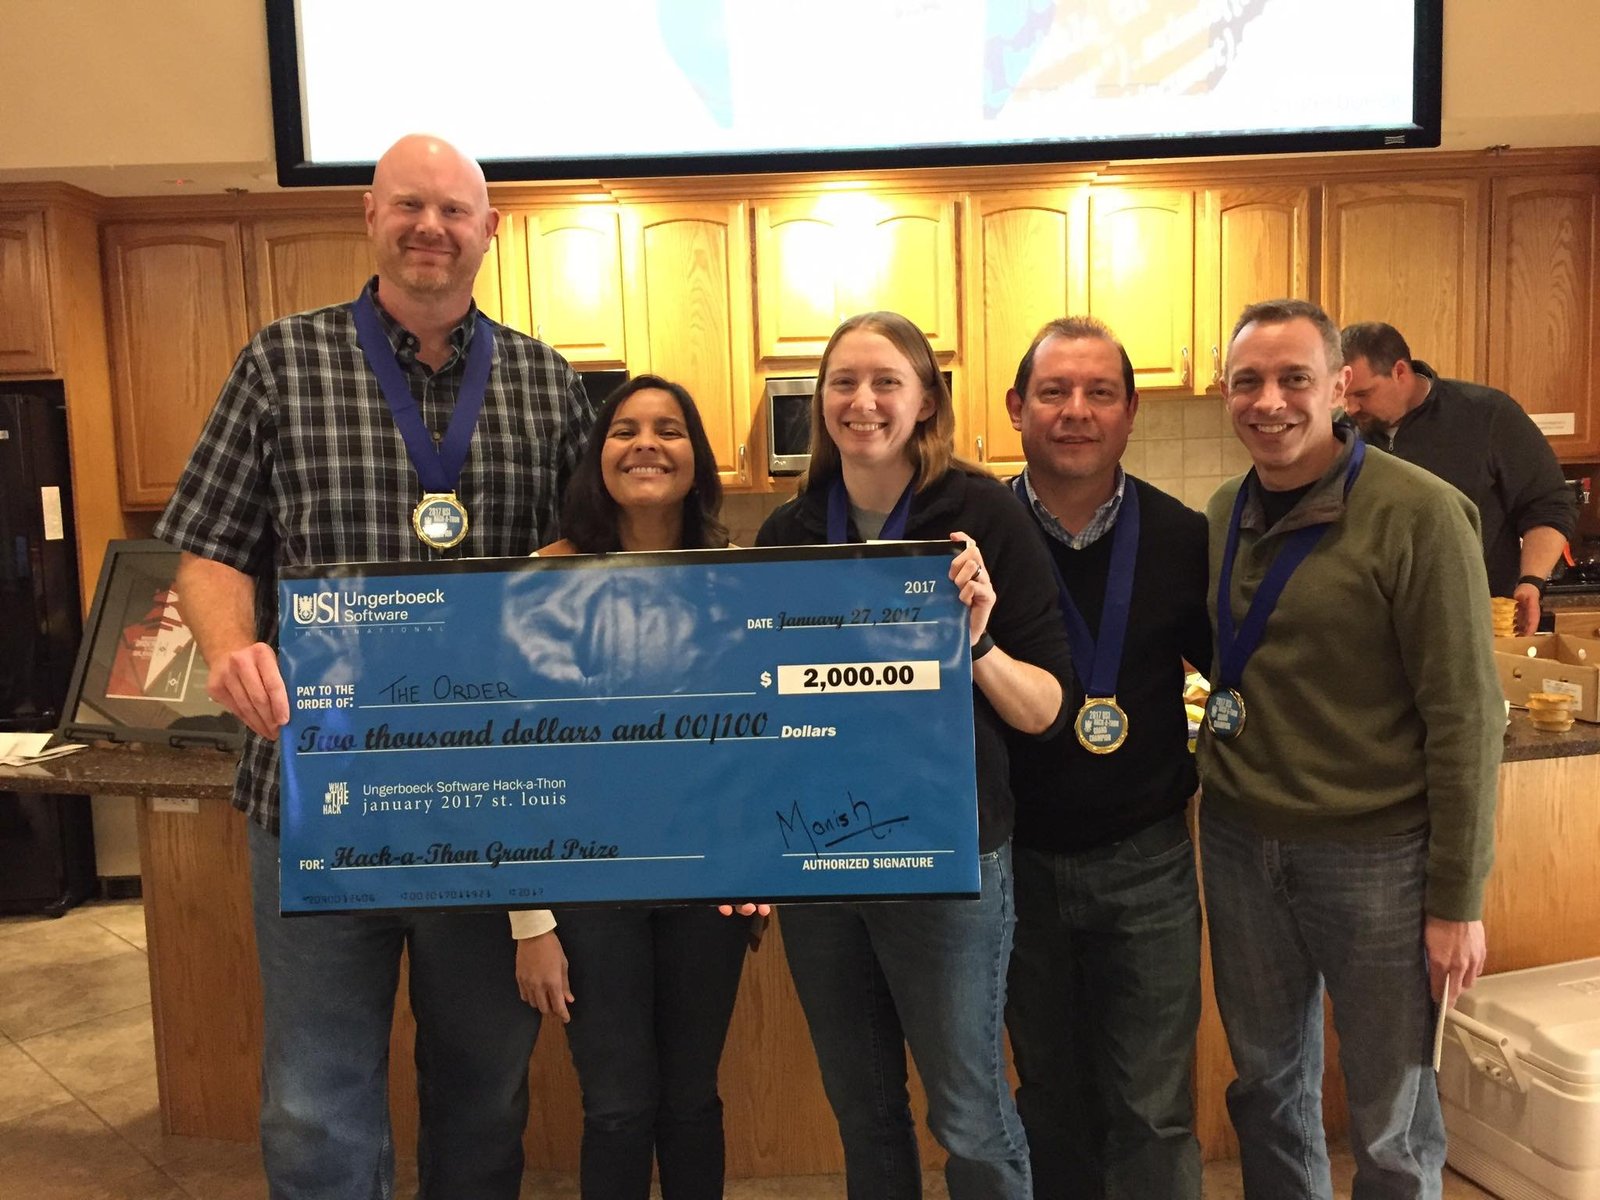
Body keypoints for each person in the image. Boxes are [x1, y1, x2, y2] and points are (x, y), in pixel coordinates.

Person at [155, 134, 595, 1200]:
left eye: (453, 210)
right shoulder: (279, 361)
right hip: (317, 794)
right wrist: (232, 647)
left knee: (485, 1083)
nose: (431, 228)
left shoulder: (544, 383)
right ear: (369, 215)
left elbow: (596, 557)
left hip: (490, 798)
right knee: (314, 1094)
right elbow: (210, 543)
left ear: (491, 231)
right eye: (409, 205)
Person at [756, 310, 1073, 1200]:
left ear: (926, 398)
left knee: (968, 1112)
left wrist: (975, 643)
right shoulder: (786, 533)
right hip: (822, 866)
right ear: (821, 403)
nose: (863, 402)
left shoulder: (983, 518)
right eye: (844, 383)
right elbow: (762, 711)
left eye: (886, 381)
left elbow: (1048, 708)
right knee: (862, 1109)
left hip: (948, 860)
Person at [1200, 299, 1502, 1199]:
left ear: (1341, 389)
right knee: (1267, 1090)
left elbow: (1466, 718)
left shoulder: (1420, 515)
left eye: (1296, 378)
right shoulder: (1225, 509)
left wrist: (1457, 900)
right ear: (1227, 392)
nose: (1271, 401)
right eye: (1249, 380)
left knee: (1392, 1112)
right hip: (1242, 842)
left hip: (1376, 856)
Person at [509, 375, 755, 1200]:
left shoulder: (737, 579)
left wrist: (768, 863)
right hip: (586, 887)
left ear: (697, 459)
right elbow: (510, 759)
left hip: (707, 886)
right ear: (597, 455)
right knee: (615, 1107)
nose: (646, 442)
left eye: (669, 429)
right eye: (624, 429)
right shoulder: (538, 582)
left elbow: (764, 744)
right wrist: (531, 921)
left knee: (691, 1102)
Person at [1001, 317, 1209, 1199]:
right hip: (1015, 866)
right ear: (1016, 409)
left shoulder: (1184, 536)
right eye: (1054, 392)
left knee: (1154, 1107)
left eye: (1099, 394)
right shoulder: (973, 536)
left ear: (1130, 415)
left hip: (1148, 862)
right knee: (1048, 1096)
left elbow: (1241, 680)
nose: (1075, 412)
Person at [1339, 321, 1577, 635]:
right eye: (1343, 394)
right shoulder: (1340, 432)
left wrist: (1531, 581)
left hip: (1472, 623)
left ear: (1400, 371)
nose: (1350, 407)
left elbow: (1548, 505)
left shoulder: (1487, 414)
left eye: (1363, 394)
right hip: (1371, 628)